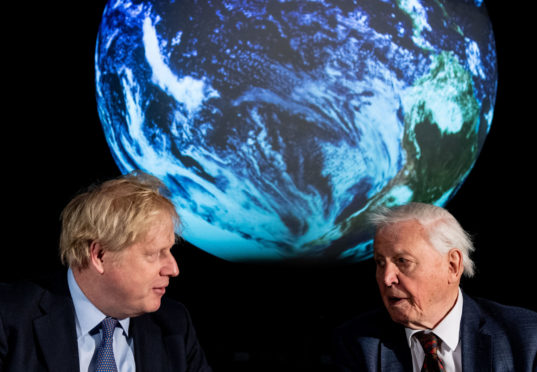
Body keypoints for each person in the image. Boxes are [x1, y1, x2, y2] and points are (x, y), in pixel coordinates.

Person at [0, 171, 212, 372]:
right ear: (99, 255)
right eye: (154, 253)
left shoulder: (174, 325)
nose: (173, 269)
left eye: (170, 251)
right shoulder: (9, 316)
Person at [333, 202, 537, 371]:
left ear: (452, 266)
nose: (387, 278)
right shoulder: (355, 344)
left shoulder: (527, 338)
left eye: (403, 261)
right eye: (380, 262)